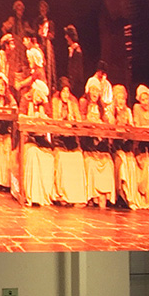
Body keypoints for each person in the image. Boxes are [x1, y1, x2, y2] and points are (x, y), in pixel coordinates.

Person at [50, 77, 86, 207]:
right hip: (59, 138)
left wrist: (73, 120)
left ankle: (76, 196)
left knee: (77, 158)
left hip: (71, 138)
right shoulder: (55, 101)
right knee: (62, 159)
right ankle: (62, 195)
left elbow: (79, 120)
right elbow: (54, 119)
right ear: (59, 92)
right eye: (63, 91)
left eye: (67, 91)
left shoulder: (73, 101)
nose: (66, 94)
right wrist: (63, 121)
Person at [19, 79, 56, 206]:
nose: (39, 99)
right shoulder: (25, 100)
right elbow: (20, 117)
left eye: (42, 97)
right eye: (38, 95)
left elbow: (50, 119)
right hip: (28, 139)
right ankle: (33, 195)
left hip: (41, 140)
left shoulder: (43, 105)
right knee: (33, 153)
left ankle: (44, 194)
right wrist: (33, 119)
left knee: (49, 157)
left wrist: (45, 106)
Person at [81, 74, 116, 207]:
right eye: (93, 90)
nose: (95, 93)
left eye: (97, 90)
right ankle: (91, 196)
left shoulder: (101, 107)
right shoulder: (84, 103)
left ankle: (103, 197)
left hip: (100, 146)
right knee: (90, 163)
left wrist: (103, 122)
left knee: (107, 163)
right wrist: (89, 122)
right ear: (89, 91)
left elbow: (107, 122)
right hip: (88, 146)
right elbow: (80, 120)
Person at [112, 83, 140, 209]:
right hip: (116, 147)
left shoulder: (128, 111)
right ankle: (120, 194)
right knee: (121, 163)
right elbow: (111, 127)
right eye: (119, 98)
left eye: (123, 98)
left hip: (126, 146)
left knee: (131, 163)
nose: (121, 101)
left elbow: (131, 125)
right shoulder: (112, 110)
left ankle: (129, 196)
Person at [37, 0, 56, 85]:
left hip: (47, 46)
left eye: (44, 8)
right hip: (39, 46)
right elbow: (35, 34)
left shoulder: (50, 23)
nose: (42, 9)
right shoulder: (37, 21)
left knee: (48, 68)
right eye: (41, 7)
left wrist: (46, 34)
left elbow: (52, 35)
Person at [63, 25, 85, 97]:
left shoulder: (77, 51)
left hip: (76, 85)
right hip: (73, 83)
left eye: (67, 35)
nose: (65, 37)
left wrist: (71, 85)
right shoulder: (72, 50)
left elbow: (75, 70)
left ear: (70, 37)